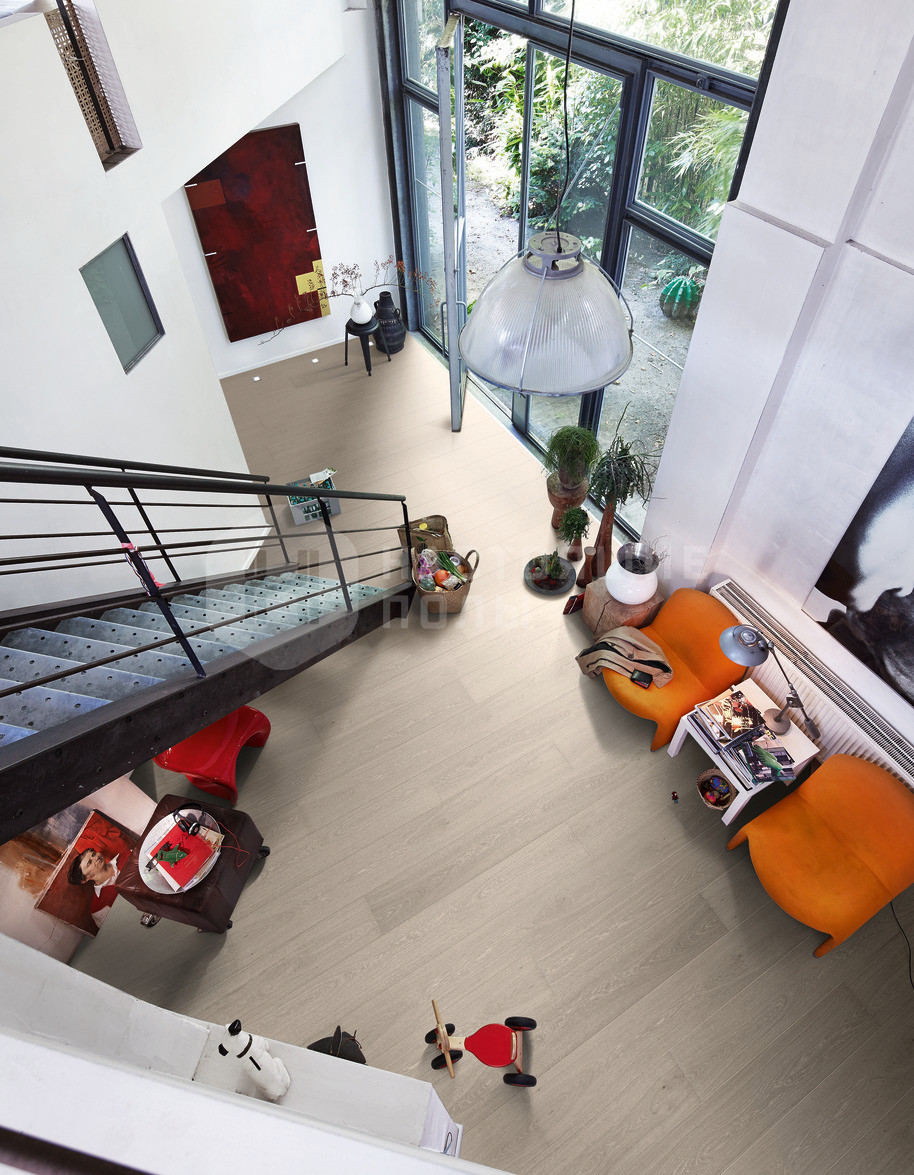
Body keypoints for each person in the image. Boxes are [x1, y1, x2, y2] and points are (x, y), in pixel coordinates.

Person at [67, 847, 120, 925]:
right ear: (84, 879)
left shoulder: (125, 855)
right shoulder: (99, 908)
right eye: (89, 862)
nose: (96, 857)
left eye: (94, 854)